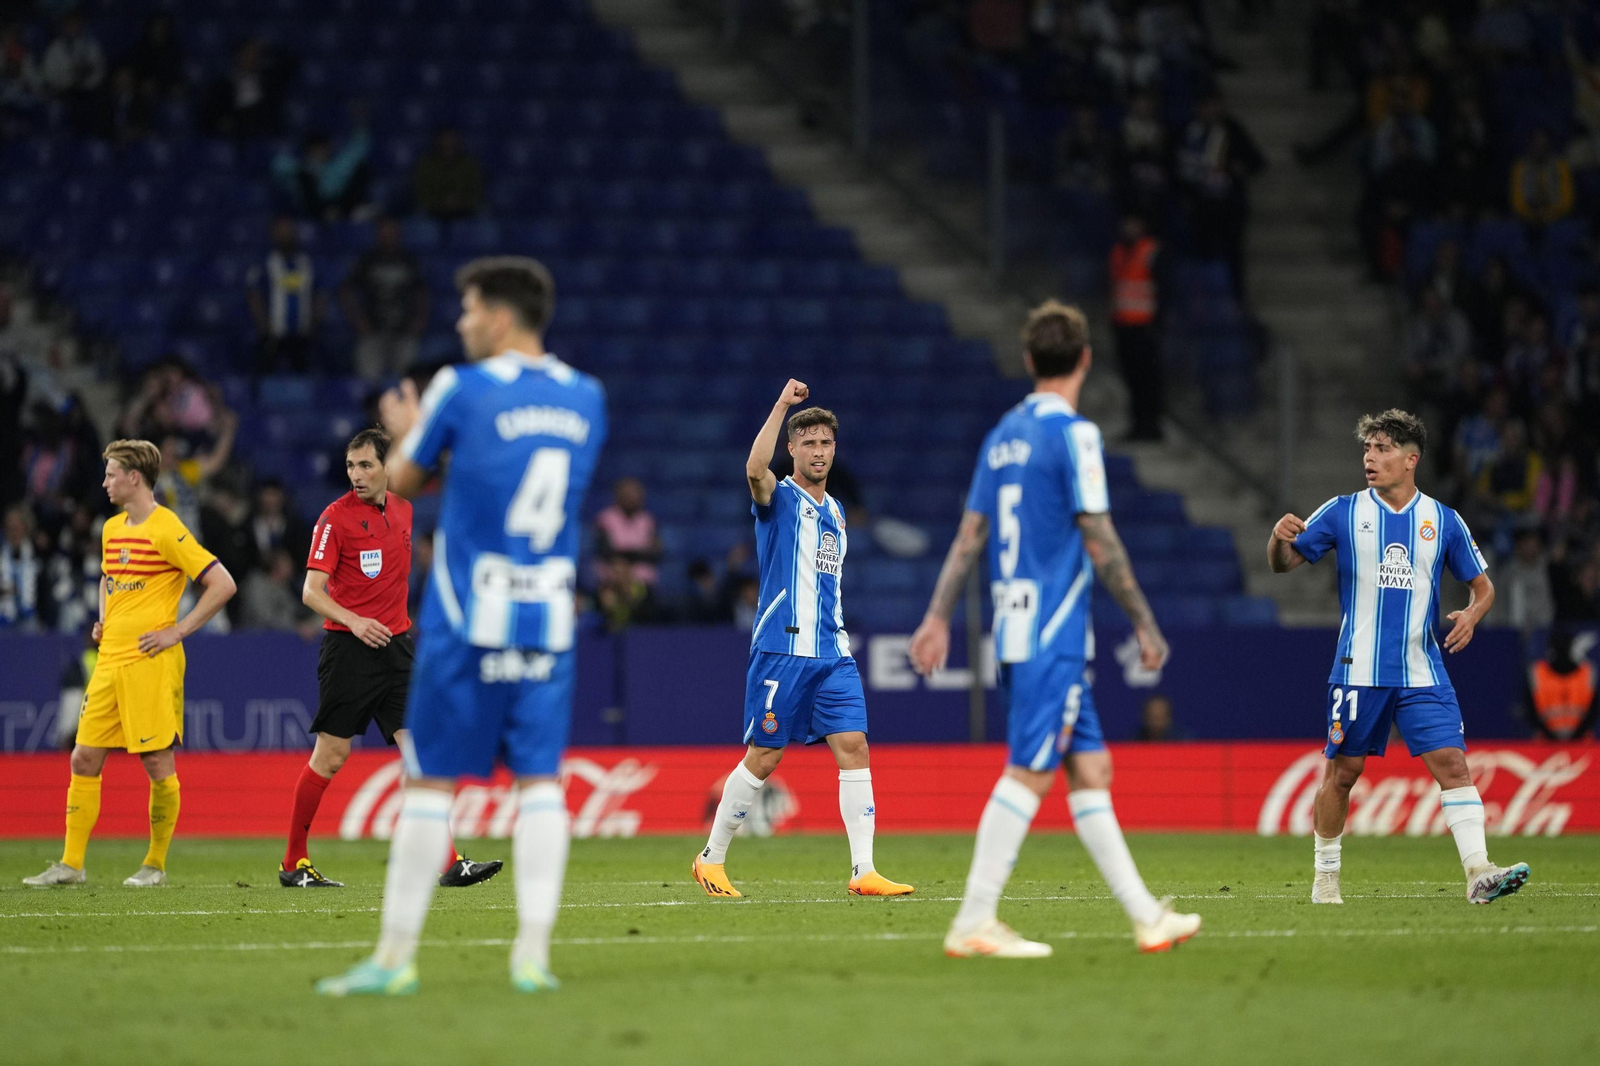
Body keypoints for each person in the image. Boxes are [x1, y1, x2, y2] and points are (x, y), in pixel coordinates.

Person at [316, 256, 607, 995]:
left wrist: (409, 431)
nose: (461, 322)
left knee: (430, 784)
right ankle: (532, 958)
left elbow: (405, 481)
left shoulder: (462, 387)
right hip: (545, 615)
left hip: (467, 618)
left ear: (501, 318)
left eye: (470, 309)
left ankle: (393, 959)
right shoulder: (587, 398)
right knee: (540, 782)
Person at [909, 300, 1197, 958]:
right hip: (1054, 628)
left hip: (1015, 627)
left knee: (1091, 768)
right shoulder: (1076, 434)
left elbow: (968, 537)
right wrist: (1145, 622)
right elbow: (1098, 536)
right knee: (1031, 773)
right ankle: (973, 921)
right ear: (1087, 361)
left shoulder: (1002, 435)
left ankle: (1147, 917)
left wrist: (935, 616)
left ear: (1029, 360)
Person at [1267, 409, 1529, 905]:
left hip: (1422, 668)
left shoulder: (1443, 520)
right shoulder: (1343, 510)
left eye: (1383, 448)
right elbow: (1285, 564)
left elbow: (1484, 586)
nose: (1370, 457)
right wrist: (1277, 540)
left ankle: (1478, 871)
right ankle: (1326, 877)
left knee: (1453, 764)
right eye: (1368, 448)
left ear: (1411, 460)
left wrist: (1474, 614)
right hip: (1358, 669)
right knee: (1342, 774)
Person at [692, 381, 913, 902]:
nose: (818, 451)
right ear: (792, 449)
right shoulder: (778, 497)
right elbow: (752, 470)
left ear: (835, 449)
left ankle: (864, 869)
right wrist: (781, 407)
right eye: (808, 442)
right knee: (765, 755)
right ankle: (711, 859)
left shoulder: (836, 512)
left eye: (826, 443)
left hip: (832, 652)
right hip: (782, 649)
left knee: (854, 747)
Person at [282, 428, 501, 889]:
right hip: (348, 649)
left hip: (397, 649)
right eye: (350, 466)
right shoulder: (333, 519)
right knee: (331, 756)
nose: (356, 475)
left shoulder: (403, 510)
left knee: (421, 754)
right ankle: (293, 863)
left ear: (386, 467)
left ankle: (449, 859)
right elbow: (310, 592)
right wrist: (355, 621)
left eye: (366, 465)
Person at [23, 439, 236, 887]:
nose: (104, 482)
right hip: (109, 660)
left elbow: (222, 583)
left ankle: (154, 865)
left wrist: (177, 630)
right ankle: (71, 865)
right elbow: (108, 579)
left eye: (111, 473)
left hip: (150, 661)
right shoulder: (112, 529)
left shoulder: (168, 529)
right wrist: (105, 619)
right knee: (82, 758)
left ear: (133, 478)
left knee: (157, 764)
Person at [340, 218, 429, 382]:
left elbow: (423, 292)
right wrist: (357, 320)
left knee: (408, 383)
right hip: (372, 331)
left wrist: (419, 320)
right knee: (368, 383)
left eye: (392, 233)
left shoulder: (409, 261)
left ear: (398, 235)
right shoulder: (367, 260)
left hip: (404, 331)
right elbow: (346, 290)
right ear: (377, 235)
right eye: (384, 233)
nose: (388, 237)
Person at [1108, 211, 1163, 441]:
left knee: (1147, 379)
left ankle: (1151, 426)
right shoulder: (1118, 251)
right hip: (1123, 326)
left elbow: (1163, 288)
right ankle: (1137, 425)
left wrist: (1158, 322)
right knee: (1131, 379)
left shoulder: (1151, 251)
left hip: (1145, 327)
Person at [247, 216, 322, 375]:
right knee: (265, 374)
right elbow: (254, 295)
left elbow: (319, 295)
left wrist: (313, 324)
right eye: (281, 232)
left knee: (304, 376)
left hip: (302, 334)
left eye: (289, 231)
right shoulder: (264, 263)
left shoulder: (307, 263)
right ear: (273, 235)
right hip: (272, 333)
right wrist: (264, 327)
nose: (285, 235)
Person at [1524, 631, 1598, 742]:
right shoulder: (1537, 673)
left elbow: (1594, 711)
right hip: (1545, 747)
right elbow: (1530, 712)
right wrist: (1551, 737)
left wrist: (1576, 736)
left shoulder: (1588, 673)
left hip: (1582, 745)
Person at [592, 476, 661, 585]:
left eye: (635, 494)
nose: (632, 498)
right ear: (618, 495)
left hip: (643, 582)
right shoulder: (605, 519)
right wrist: (637, 554)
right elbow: (606, 551)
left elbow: (656, 553)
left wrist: (625, 554)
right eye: (627, 494)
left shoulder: (648, 520)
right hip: (612, 581)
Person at [412, 127, 484, 221]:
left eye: (451, 138)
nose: (448, 142)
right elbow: (420, 193)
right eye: (445, 138)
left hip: (465, 211)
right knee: (422, 224)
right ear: (437, 141)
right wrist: (441, 202)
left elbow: (476, 192)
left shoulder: (469, 164)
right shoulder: (425, 164)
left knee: (484, 223)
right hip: (432, 212)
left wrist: (460, 202)